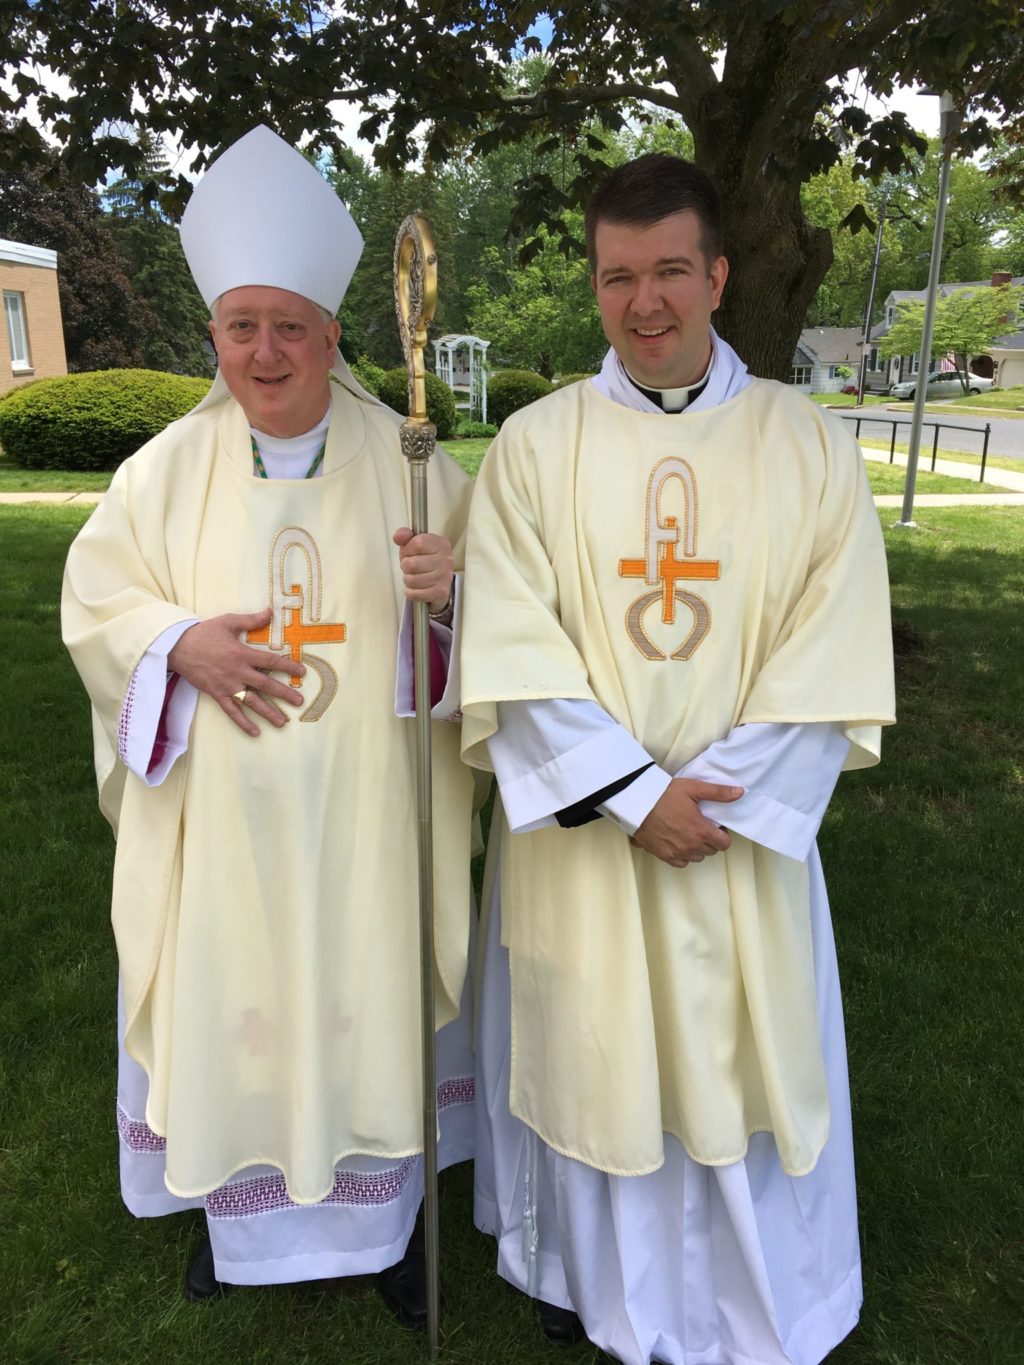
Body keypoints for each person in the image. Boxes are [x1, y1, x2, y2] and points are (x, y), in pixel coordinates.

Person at [460, 153, 896, 1365]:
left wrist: (716, 797)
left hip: (738, 837)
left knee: (736, 1054)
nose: (642, 302)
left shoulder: (805, 445)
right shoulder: (535, 447)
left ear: (715, 275)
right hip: (593, 841)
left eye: (666, 272)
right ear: (593, 287)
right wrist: (630, 792)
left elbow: (835, 640)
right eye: (615, 277)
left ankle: (766, 1299)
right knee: (590, 1047)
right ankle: (578, 1274)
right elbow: (507, 636)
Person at [61, 126, 476, 1321]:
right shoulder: (160, 473)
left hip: (367, 823)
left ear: (333, 337)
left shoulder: (409, 465)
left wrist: (445, 592)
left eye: (289, 325)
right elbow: (97, 605)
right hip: (223, 834)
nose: (265, 350)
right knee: (230, 1010)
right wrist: (175, 643)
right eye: (242, 326)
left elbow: (483, 627)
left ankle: (388, 1228)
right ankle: (236, 1221)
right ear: (213, 339)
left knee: (368, 1007)